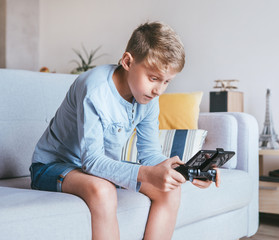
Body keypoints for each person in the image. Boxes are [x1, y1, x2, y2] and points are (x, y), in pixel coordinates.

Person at [30, 21, 220, 240]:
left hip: (94, 170)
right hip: (52, 167)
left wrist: (188, 172)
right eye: (153, 78)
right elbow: (91, 161)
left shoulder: (149, 97)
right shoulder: (94, 89)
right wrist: (147, 173)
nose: (159, 90)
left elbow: (149, 155)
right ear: (128, 61)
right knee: (103, 190)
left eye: (167, 81)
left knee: (169, 190)